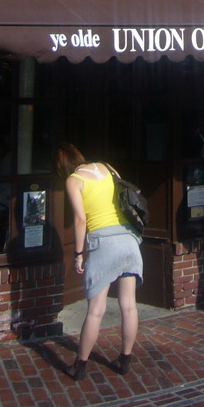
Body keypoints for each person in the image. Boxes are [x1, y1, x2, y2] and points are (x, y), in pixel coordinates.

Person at [55, 143, 143, 380]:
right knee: (129, 305)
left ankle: (80, 365)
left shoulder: (73, 180)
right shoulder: (108, 167)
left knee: (96, 310)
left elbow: (81, 219)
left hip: (103, 242)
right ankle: (125, 358)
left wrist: (78, 254)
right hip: (128, 239)